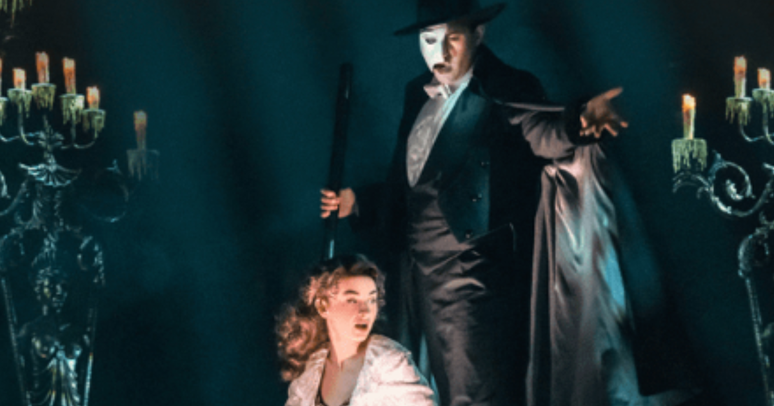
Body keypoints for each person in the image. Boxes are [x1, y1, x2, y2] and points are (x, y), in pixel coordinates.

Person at [319, 1, 630, 405]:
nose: (440, 52)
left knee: (479, 395)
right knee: (442, 390)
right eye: (429, 40)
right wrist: (359, 202)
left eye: (452, 38)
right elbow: (420, 185)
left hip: (476, 274)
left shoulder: (506, 87)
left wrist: (578, 124)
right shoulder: (416, 93)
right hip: (418, 277)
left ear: (478, 35)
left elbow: (542, 131)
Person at [276, 254, 436, 406]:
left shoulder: (388, 362)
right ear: (323, 306)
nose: (365, 311)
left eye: (371, 300)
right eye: (352, 300)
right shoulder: (312, 369)